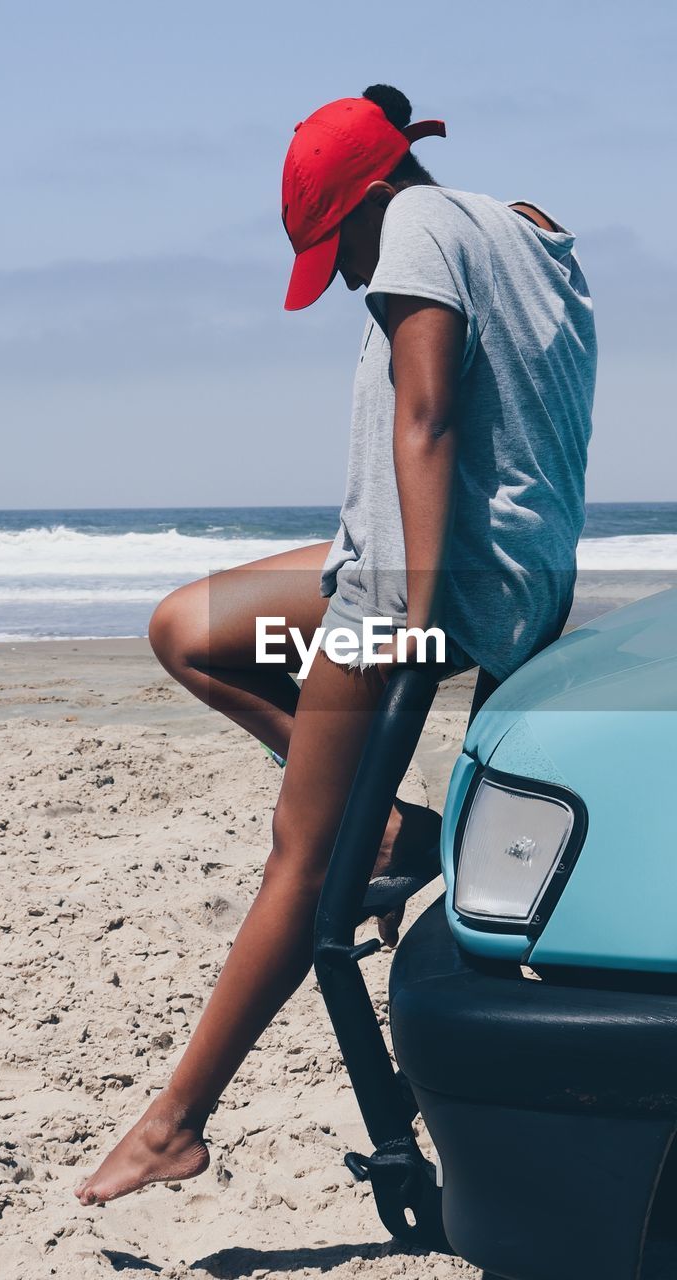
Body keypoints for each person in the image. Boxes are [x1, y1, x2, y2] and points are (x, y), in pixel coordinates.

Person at [75, 83, 597, 1205]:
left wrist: (405, 615)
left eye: (338, 253)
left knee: (299, 859)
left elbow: (428, 412)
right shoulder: (528, 225)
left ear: (369, 202)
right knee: (193, 630)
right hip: (502, 575)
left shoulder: (410, 229)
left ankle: (177, 1120)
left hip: (417, 585)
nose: (351, 280)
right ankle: (395, 827)